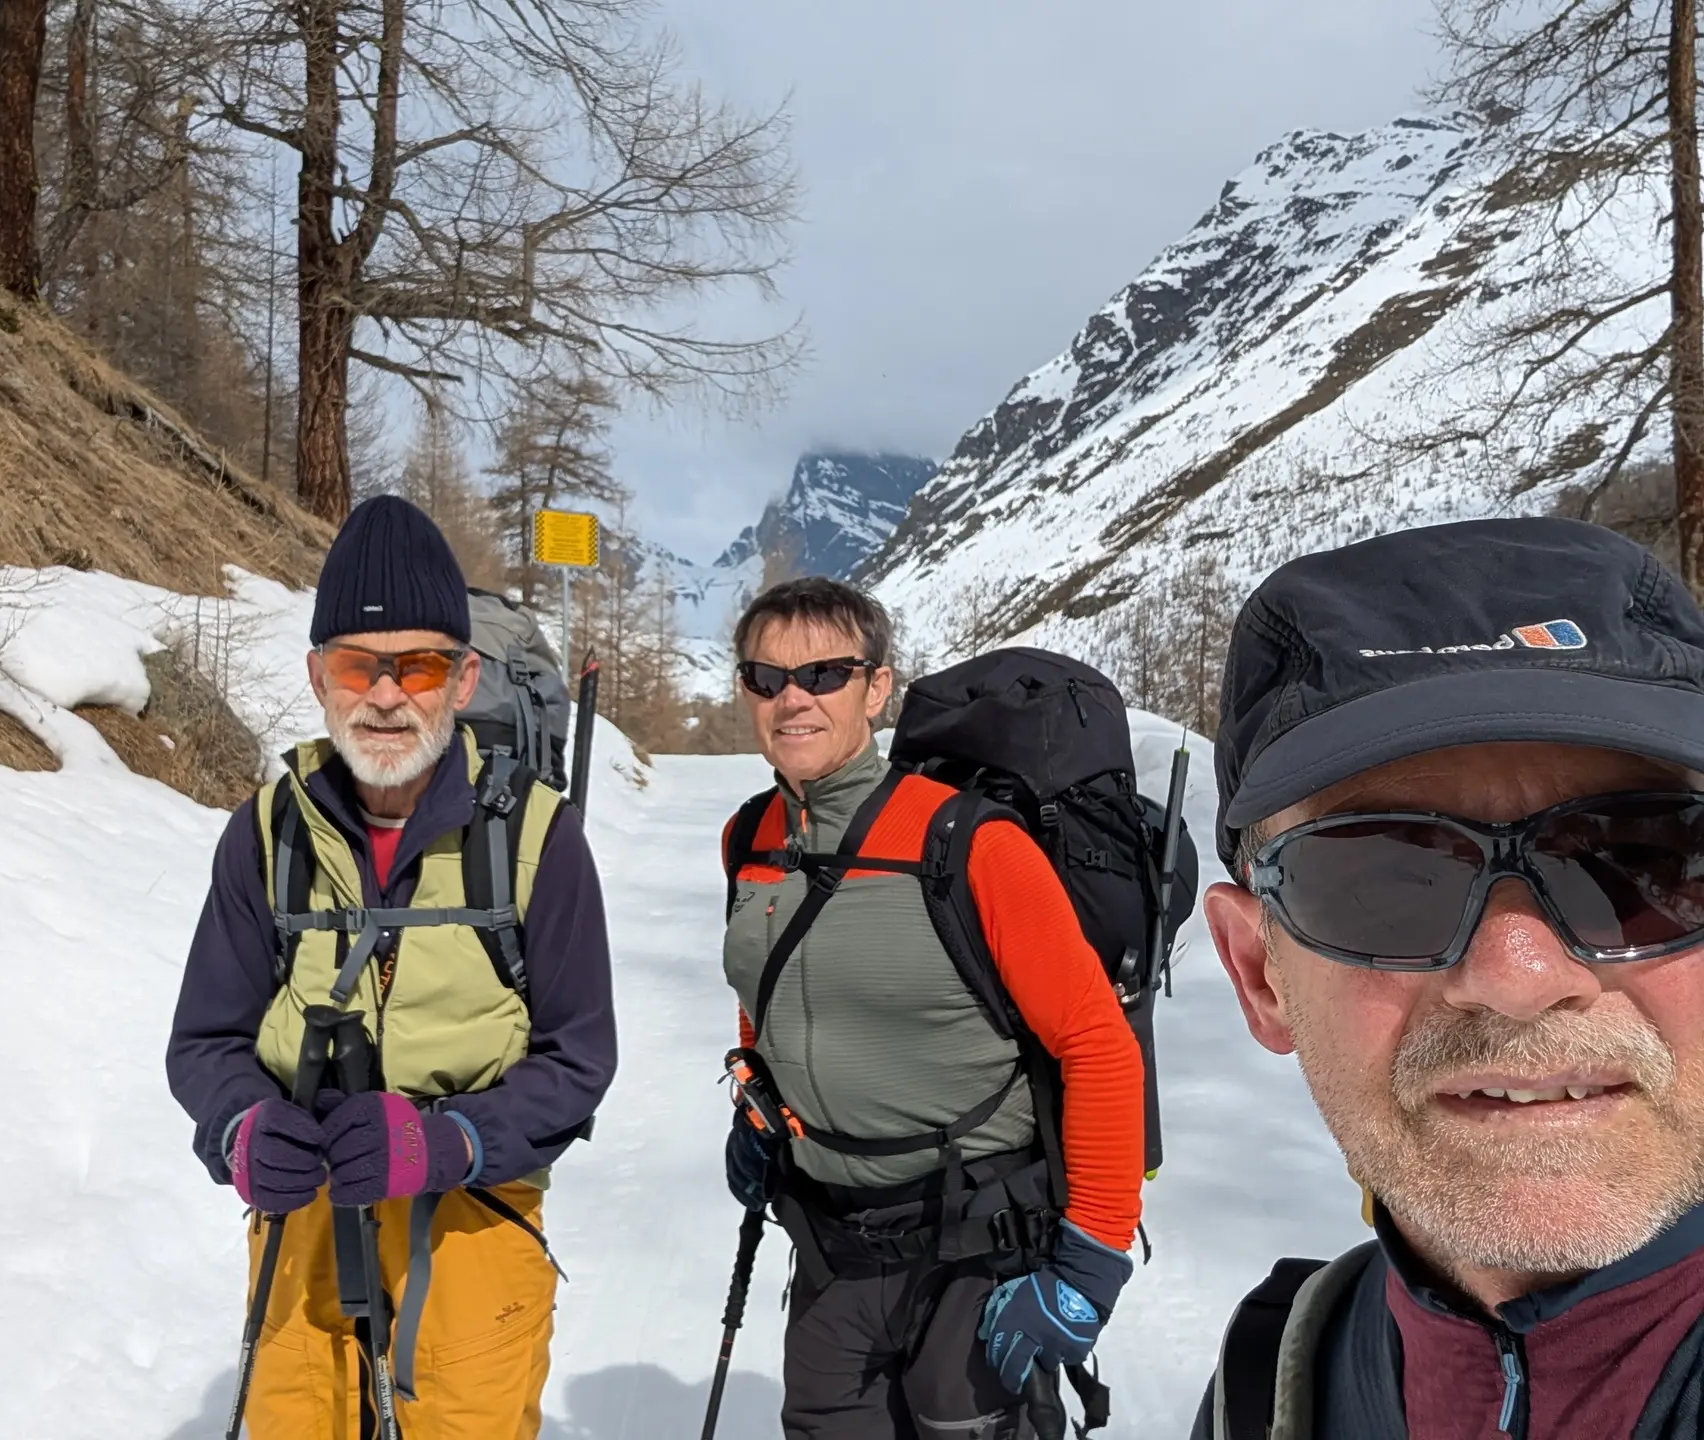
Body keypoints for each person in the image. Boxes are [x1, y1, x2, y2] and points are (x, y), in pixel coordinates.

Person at [1192, 516, 1704, 1440]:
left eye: (1637, 864)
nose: (1519, 974)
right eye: (1386, 880)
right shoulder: (1271, 1382)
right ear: (1259, 973)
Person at [166, 495, 615, 1440]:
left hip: (472, 1225)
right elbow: (205, 1042)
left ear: (462, 679)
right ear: (317, 676)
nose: (383, 695)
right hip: (302, 1232)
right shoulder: (264, 833)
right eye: (354, 666)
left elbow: (580, 1061)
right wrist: (243, 1128)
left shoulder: (536, 838)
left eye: (416, 665)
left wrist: (450, 1141)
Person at [719, 576, 1146, 1440]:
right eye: (767, 679)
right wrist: (759, 1097)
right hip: (831, 1243)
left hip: (975, 1249)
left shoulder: (969, 844)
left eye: (824, 674)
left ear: (876, 688)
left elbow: (1096, 1044)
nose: (792, 698)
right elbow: (767, 991)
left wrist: (1091, 1260)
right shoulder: (750, 837)